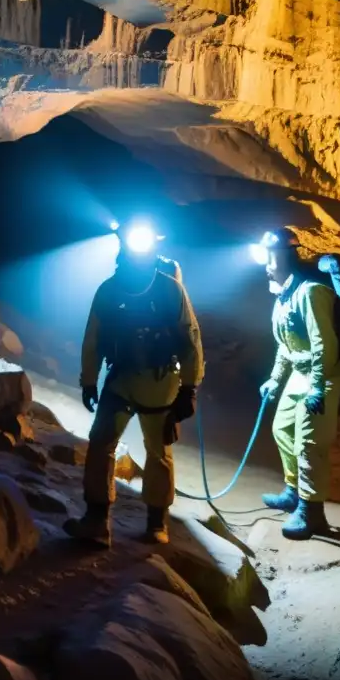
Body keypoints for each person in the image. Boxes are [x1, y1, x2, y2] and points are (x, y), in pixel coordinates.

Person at [63, 222, 204, 548]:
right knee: (100, 442)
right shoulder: (109, 290)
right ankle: (97, 519)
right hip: (121, 380)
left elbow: (190, 339)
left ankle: (157, 522)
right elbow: (93, 339)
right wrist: (88, 381)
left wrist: (188, 388)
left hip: (160, 383)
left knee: (158, 452)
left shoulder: (171, 291)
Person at [257, 228, 340, 540]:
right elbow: (286, 343)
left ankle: (312, 510)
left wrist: (318, 387)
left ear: (283, 257)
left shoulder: (310, 292)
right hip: (299, 371)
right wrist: (274, 378)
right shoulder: (282, 296)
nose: (265, 265)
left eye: (269, 258)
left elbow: (324, 343)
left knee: (309, 443)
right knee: (282, 428)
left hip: (322, 373)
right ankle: (294, 490)